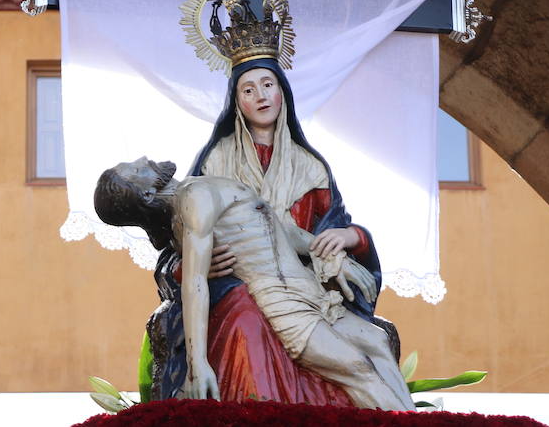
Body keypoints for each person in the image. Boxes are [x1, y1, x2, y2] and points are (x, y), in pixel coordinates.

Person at [150, 57, 385, 404]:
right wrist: (189, 267)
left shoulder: (311, 166)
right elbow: (177, 243)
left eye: (268, 85)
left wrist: (354, 237)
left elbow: (330, 230)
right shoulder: (215, 161)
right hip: (236, 284)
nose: (260, 96)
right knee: (247, 317)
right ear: (237, 103)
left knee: (371, 343)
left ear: (282, 93)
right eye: (248, 89)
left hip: (305, 284)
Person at [96, 158, 414, 410]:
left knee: (377, 342)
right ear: (148, 195)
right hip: (280, 300)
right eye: (136, 169)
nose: (143, 158)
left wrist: (333, 255)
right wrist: (198, 364)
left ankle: (411, 419)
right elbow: (194, 282)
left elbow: (278, 229)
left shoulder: (195, 189)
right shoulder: (191, 201)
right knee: (358, 369)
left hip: (310, 289)